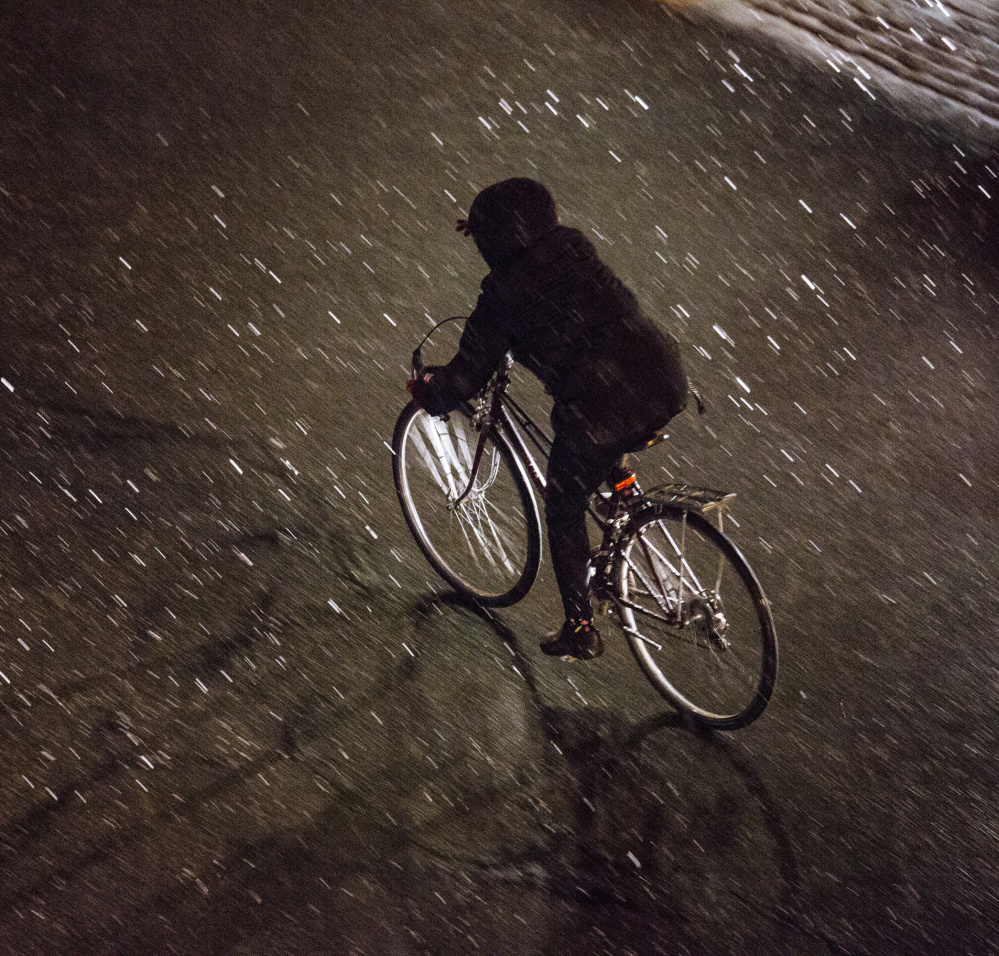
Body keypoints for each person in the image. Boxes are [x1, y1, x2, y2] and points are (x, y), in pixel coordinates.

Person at [408, 178, 689, 661]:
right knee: (604, 443)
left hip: (603, 397)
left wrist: (430, 396)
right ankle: (623, 493)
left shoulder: (502, 294)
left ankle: (580, 628)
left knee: (563, 503)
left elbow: (469, 372)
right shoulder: (575, 247)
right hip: (662, 372)